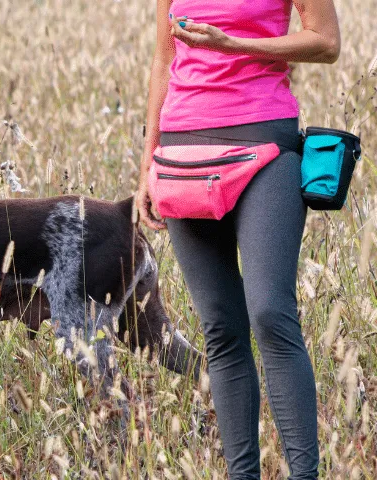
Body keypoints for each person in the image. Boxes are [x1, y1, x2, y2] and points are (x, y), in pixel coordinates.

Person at [136, 1, 340, 478]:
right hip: (183, 153)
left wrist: (233, 44)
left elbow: (327, 43)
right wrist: (147, 162)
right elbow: (163, 58)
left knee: (270, 312)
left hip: (266, 144)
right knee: (222, 331)